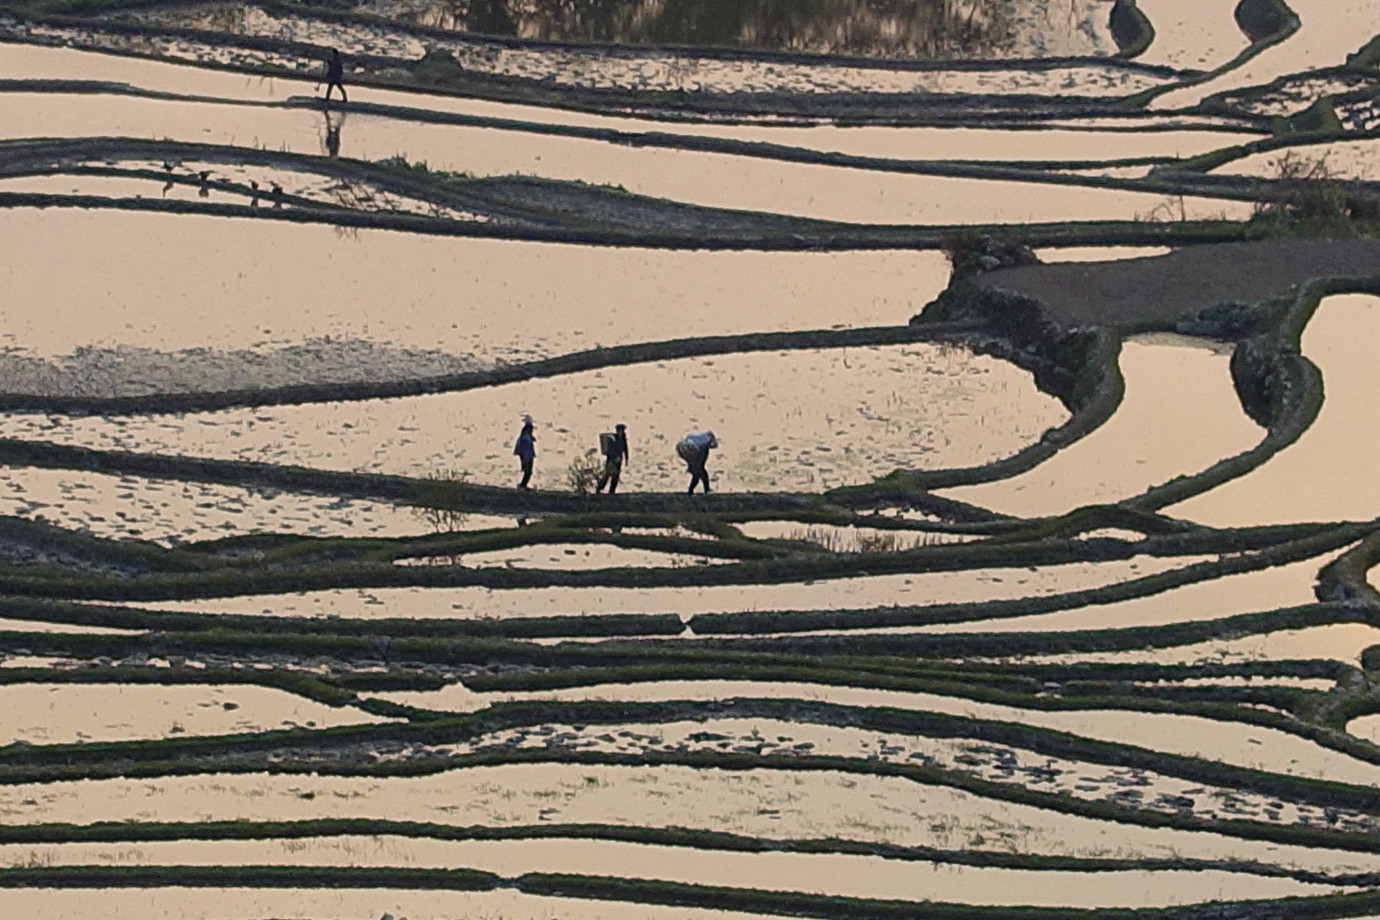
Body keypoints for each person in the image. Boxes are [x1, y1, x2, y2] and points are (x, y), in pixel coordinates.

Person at [677, 430, 717, 494]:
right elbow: (714, 445)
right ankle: (703, 490)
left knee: (698, 472)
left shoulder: (693, 437)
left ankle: (697, 490)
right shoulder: (704, 442)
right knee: (699, 472)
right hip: (693, 449)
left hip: (686, 448)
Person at [595, 423, 630, 494]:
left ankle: (612, 491)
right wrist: (615, 457)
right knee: (608, 475)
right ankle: (599, 488)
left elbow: (625, 448)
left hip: (619, 459)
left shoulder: (623, 439)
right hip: (611, 460)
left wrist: (626, 458)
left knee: (616, 476)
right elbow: (610, 450)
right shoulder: (613, 439)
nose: (621, 432)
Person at [514, 419, 536, 489]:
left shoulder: (527, 437)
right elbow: (522, 449)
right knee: (527, 471)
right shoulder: (524, 438)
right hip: (526, 457)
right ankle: (522, 485)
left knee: (529, 472)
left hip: (529, 456)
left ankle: (524, 484)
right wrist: (523, 458)